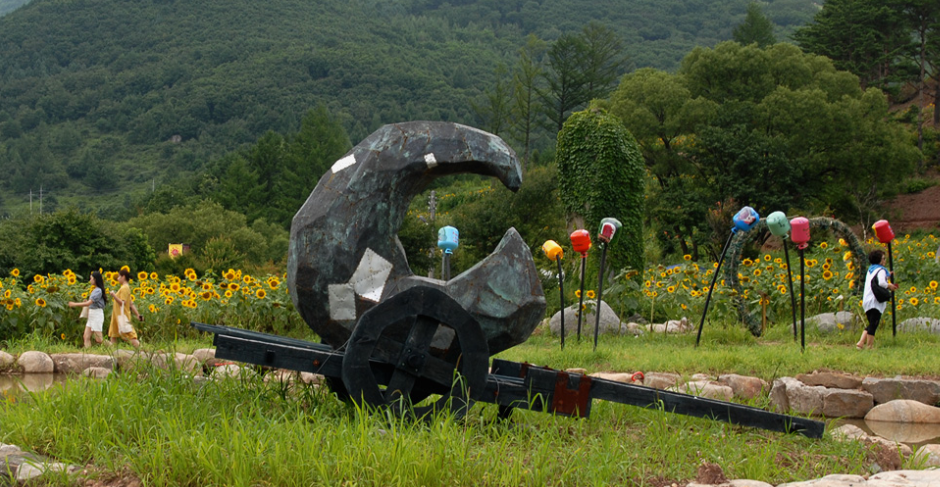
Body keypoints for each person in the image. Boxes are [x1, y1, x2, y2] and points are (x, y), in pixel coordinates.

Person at [856, 249, 898, 350]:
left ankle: (861, 343)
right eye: (883, 258)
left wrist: (887, 275)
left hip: (867, 300)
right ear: (879, 260)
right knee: (874, 324)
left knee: (871, 323)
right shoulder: (881, 270)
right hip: (875, 301)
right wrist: (890, 286)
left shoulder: (871, 269)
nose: (885, 260)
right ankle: (869, 346)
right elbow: (881, 283)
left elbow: (876, 278)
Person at [67, 271, 109, 348]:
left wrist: (74, 304)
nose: (90, 280)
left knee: (99, 339)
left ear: (95, 279)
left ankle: (112, 347)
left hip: (96, 315)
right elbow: (91, 302)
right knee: (86, 336)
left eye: (91, 278)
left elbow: (88, 303)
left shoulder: (98, 290)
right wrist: (87, 302)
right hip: (92, 314)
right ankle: (87, 352)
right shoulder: (96, 290)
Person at [109, 268, 142, 348]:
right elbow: (131, 304)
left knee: (128, 335)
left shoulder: (124, 288)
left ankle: (141, 348)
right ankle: (113, 351)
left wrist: (114, 295)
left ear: (123, 277)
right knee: (114, 334)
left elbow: (123, 302)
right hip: (117, 315)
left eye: (119, 276)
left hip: (121, 315)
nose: (117, 279)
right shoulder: (125, 287)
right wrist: (137, 314)